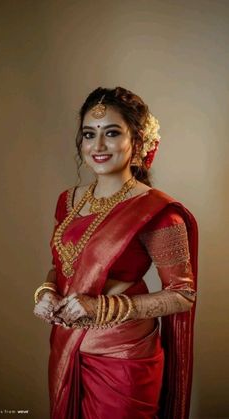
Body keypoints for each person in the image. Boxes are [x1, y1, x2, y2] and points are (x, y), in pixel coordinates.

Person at [33, 86, 198, 419]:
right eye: (89, 134)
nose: (98, 145)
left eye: (111, 133)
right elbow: (62, 267)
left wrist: (102, 307)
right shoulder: (68, 201)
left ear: (136, 142)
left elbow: (183, 295)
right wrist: (47, 292)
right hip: (67, 343)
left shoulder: (158, 211)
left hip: (123, 358)